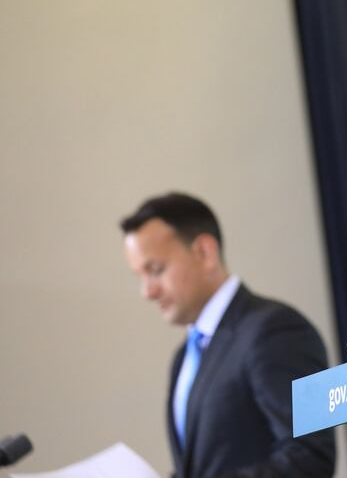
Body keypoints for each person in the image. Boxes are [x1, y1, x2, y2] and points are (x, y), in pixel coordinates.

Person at [121, 192, 335, 477]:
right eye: (140, 277)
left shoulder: (276, 329)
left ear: (205, 252)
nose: (147, 292)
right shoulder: (183, 357)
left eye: (155, 270)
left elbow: (310, 457)